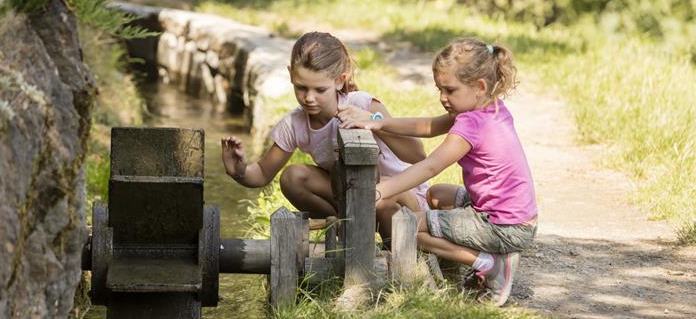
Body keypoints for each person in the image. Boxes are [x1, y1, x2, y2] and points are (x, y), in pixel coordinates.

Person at [340, 38, 537, 306]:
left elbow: (430, 165)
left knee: (408, 227)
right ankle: (459, 263)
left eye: (450, 90)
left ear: (479, 86)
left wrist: (380, 191)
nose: (443, 97)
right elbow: (428, 126)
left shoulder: (471, 125)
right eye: (439, 89)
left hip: (502, 226)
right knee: (436, 195)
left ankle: (491, 264)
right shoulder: (489, 106)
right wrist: (377, 121)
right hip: (514, 217)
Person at [221, 31, 429, 245]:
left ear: (340, 81)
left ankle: (398, 246)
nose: (309, 98)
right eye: (301, 88)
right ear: (291, 74)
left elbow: (417, 155)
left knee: (374, 190)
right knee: (293, 177)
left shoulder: (363, 104)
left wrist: (374, 121)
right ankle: (346, 231)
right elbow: (263, 173)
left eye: (320, 89)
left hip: (402, 196)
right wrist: (238, 170)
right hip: (355, 196)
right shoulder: (295, 123)